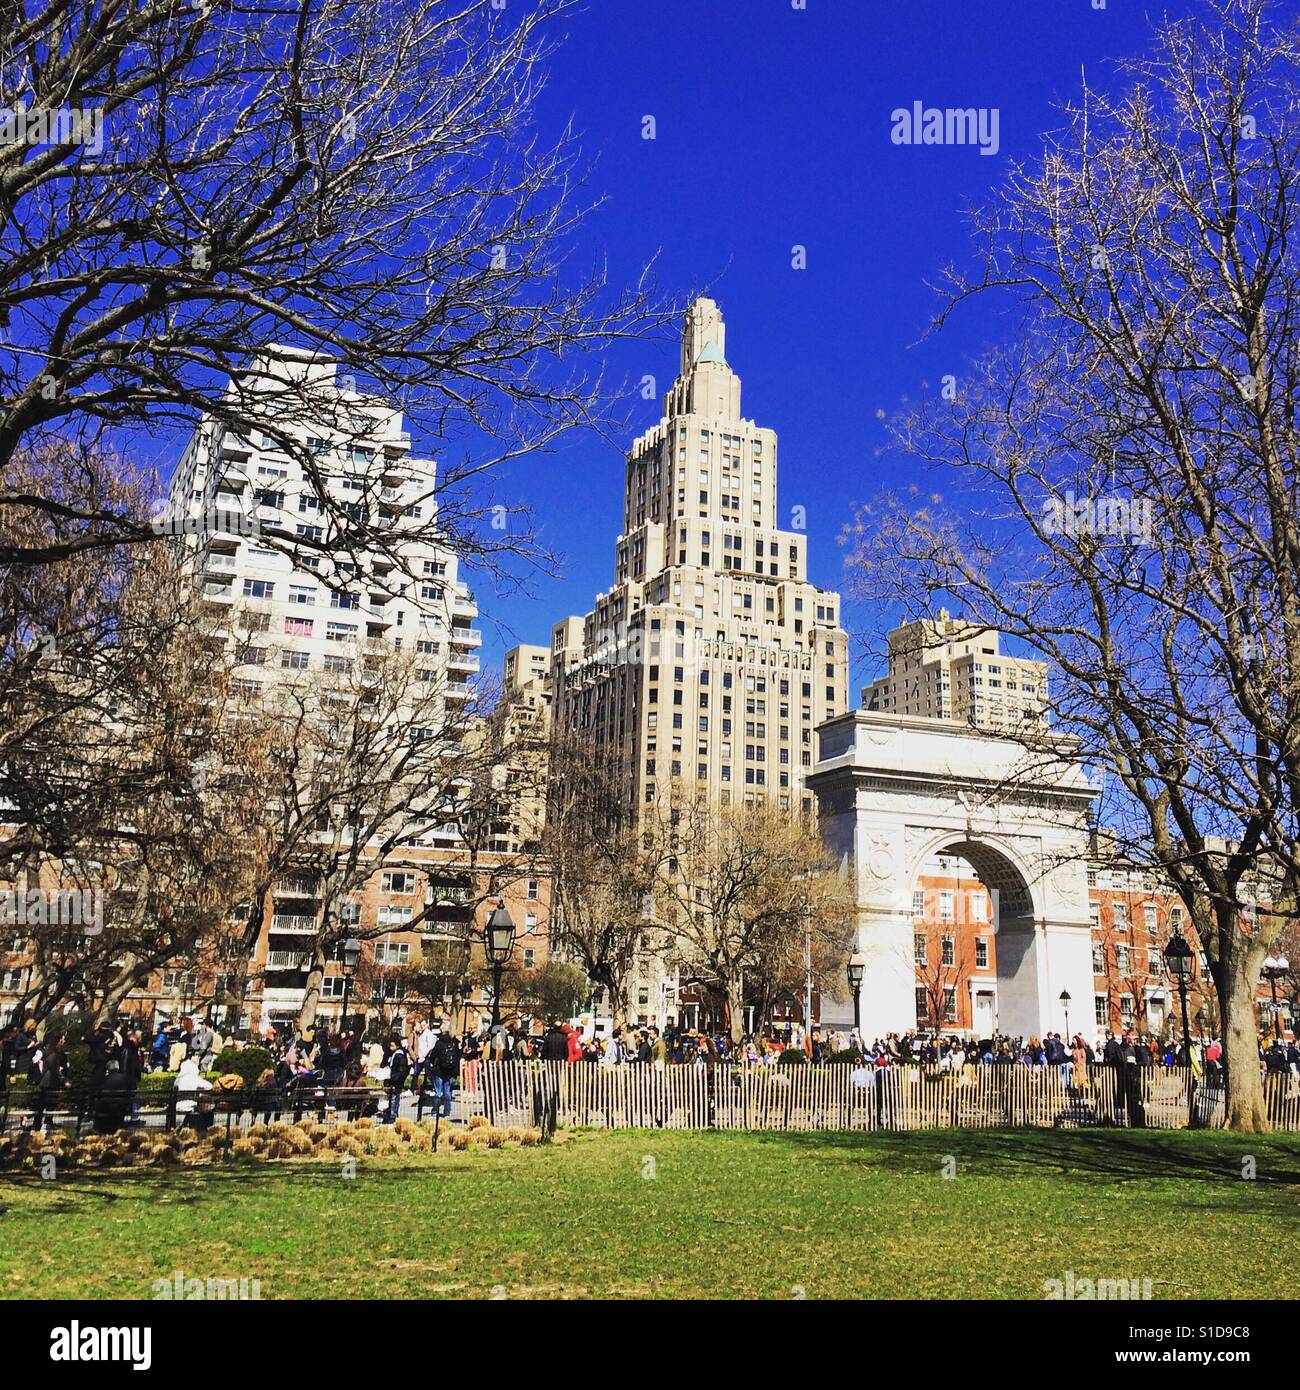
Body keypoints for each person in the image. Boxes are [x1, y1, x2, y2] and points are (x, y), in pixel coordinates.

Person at [31, 1031, 67, 1131]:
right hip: (49, 1082)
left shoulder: (51, 1051)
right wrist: (64, 1080)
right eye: (62, 1039)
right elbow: (54, 1069)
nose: (64, 1041)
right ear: (58, 1041)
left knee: (44, 1105)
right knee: (47, 1104)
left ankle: (40, 1123)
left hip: (47, 1082)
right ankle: (43, 1123)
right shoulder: (52, 1053)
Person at [428, 1024, 461, 1119]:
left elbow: (433, 1056)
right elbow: (458, 1056)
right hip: (450, 1071)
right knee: (447, 1092)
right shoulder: (454, 1042)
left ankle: (435, 1111)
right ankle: (447, 1112)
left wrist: (432, 1063)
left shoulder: (439, 1043)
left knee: (438, 1091)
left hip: (439, 1070)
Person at [174, 1056, 214, 1130]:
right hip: (192, 1105)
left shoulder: (179, 1080)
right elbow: (210, 1087)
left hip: (179, 1105)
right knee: (208, 1104)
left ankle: (184, 1125)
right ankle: (205, 1127)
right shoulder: (195, 1079)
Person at [383, 1035, 410, 1123]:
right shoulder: (393, 1055)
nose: (390, 1048)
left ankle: (392, 1116)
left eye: (392, 1046)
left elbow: (402, 1071)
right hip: (392, 1079)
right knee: (391, 1098)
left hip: (396, 1081)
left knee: (395, 1099)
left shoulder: (400, 1056)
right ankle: (390, 1114)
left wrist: (394, 1077)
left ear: (397, 1046)